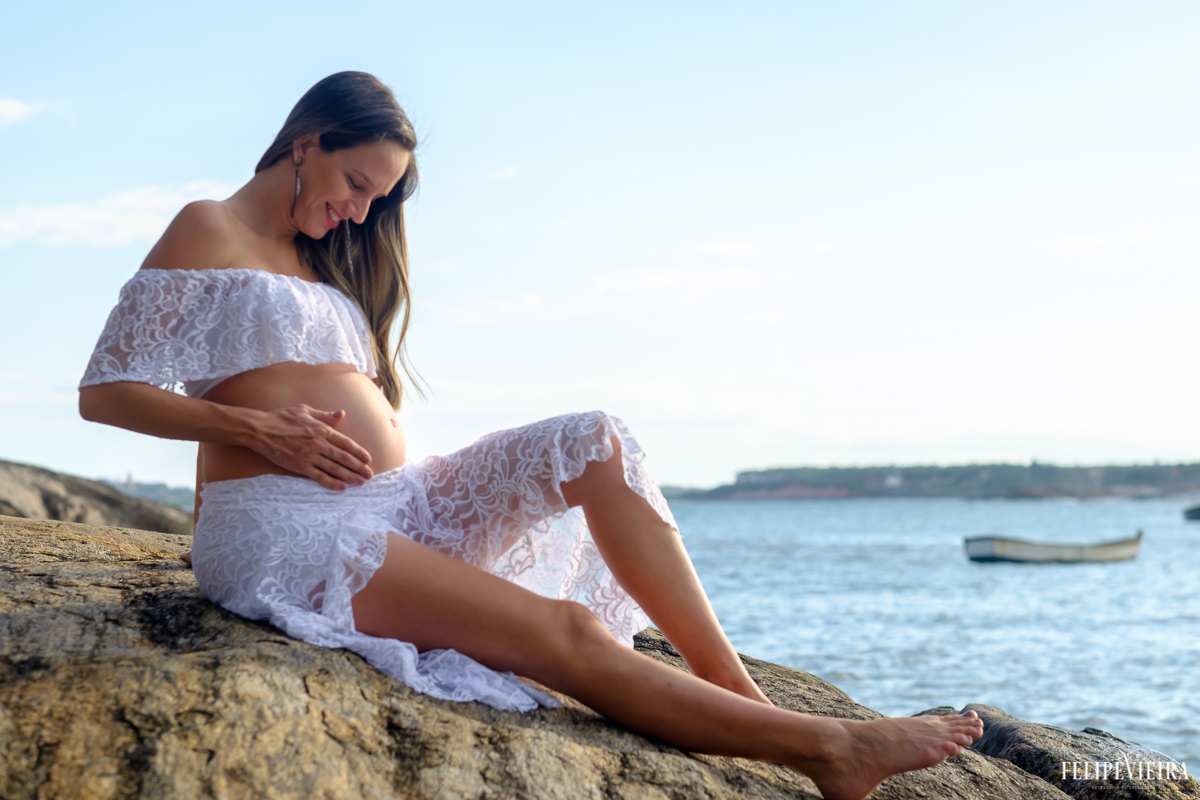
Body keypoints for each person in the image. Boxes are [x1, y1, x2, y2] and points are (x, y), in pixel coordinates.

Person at [78, 71, 982, 800]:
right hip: (290, 529)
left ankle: (735, 692)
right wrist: (255, 428)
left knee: (595, 440)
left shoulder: (321, 259)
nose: (359, 211)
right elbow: (105, 392)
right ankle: (828, 751)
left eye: (377, 198)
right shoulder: (209, 227)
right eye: (357, 184)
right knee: (567, 630)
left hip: (396, 501)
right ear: (306, 142)